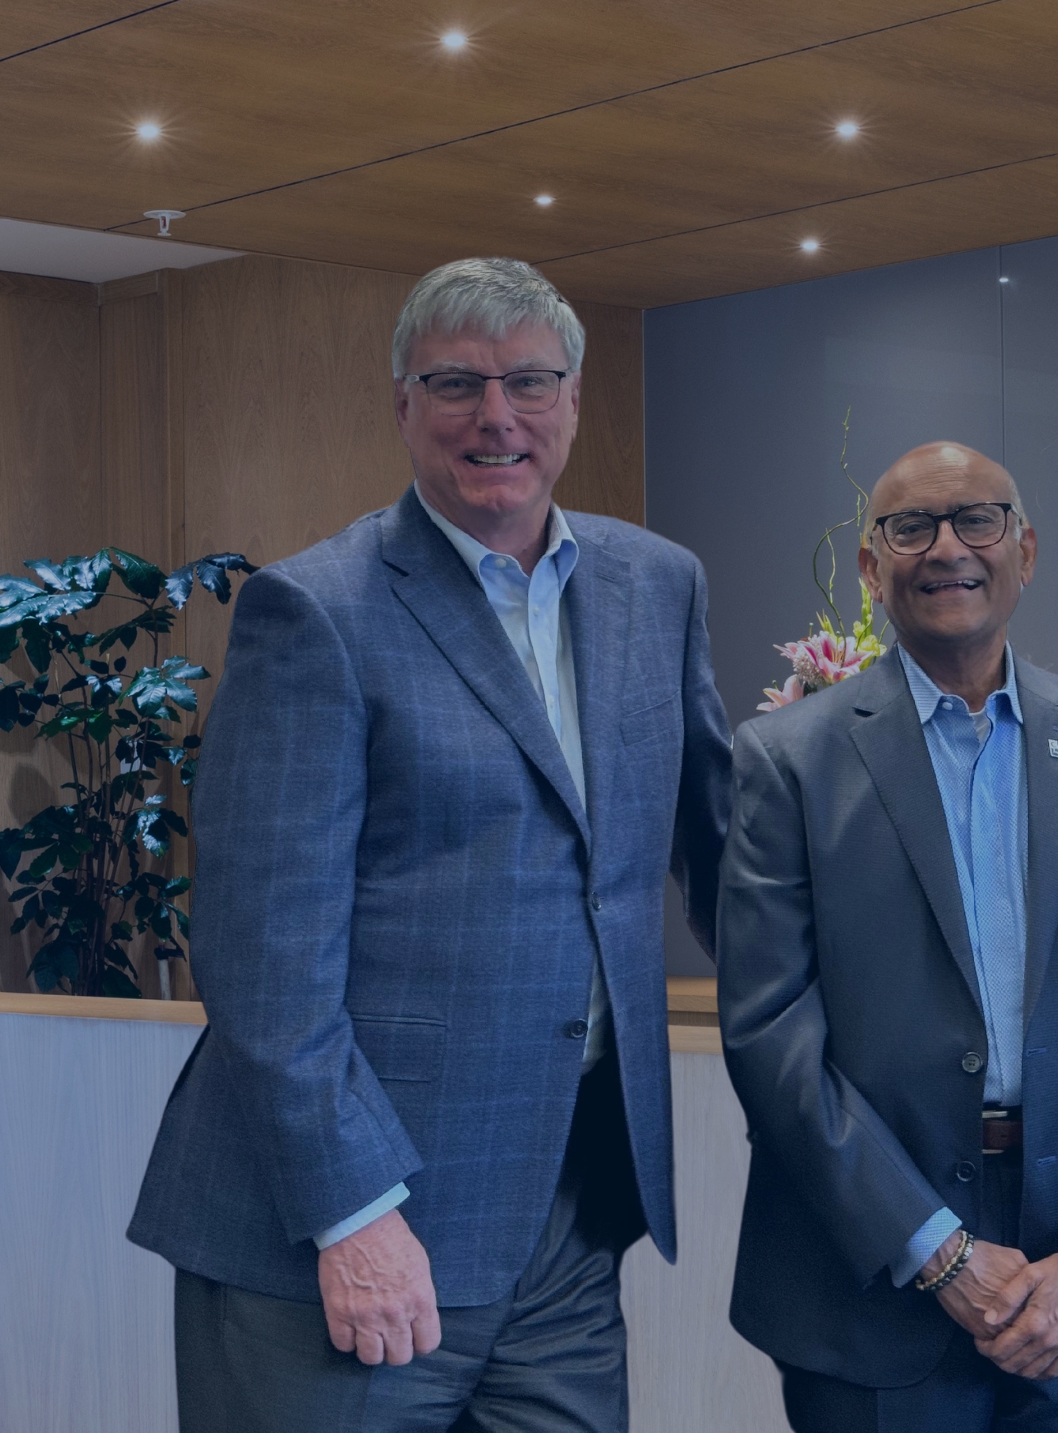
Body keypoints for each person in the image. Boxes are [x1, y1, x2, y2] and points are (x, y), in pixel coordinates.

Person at [127, 256, 731, 1431]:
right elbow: (262, 954)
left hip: (564, 1216)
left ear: (572, 398)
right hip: (340, 1230)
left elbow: (720, 859)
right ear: (401, 404)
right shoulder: (316, 611)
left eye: (527, 383)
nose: (494, 416)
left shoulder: (657, 585)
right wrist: (352, 1214)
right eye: (454, 383)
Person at [716, 441, 1058, 1433]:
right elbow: (770, 1032)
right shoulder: (784, 763)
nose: (947, 547)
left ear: (1023, 552)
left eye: (976, 520)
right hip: (866, 1277)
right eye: (911, 526)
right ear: (870, 566)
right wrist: (934, 1250)